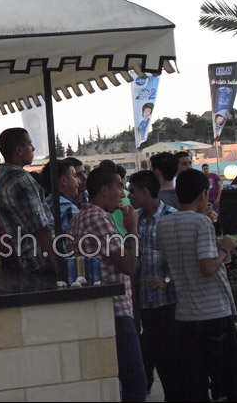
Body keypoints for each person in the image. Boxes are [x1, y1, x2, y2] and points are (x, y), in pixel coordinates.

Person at [156, 169, 237, 402]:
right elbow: (207, 267)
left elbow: (173, 260)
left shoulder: (163, 224)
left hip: (185, 315)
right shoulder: (201, 222)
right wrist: (225, 248)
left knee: (194, 384)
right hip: (213, 313)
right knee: (230, 383)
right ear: (203, 194)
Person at [66, 167, 146, 402]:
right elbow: (128, 265)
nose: (123, 194)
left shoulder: (80, 217)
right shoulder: (99, 219)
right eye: (119, 187)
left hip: (95, 310)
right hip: (115, 310)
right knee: (135, 381)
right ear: (104, 190)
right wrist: (132, 230)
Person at [127, 170, 179, 400]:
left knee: (169, 359)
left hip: (168, 301)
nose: (129, 196)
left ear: (146, 192)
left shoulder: (171, 217)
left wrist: (166, 280)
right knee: (151, 351)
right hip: (144, 302)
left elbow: (183, 258)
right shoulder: (136, 219)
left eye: (132, 191)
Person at [0, 128, 60, 275]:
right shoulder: (22, 180)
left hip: (25, 260)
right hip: (44, 260)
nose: (33, 148)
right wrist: (59, 267)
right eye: (30, 144)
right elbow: (42, 229)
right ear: (19, 150)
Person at [41, 159, 80, 232]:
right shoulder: (69, 209)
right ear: (63, 181)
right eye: (74, 176)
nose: (79, 181)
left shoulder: (44, 204)